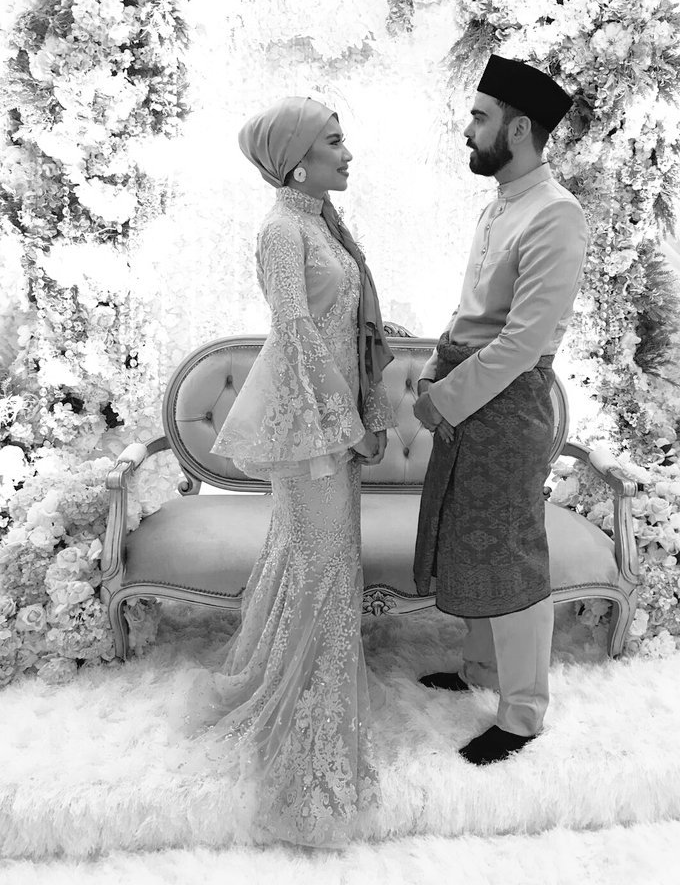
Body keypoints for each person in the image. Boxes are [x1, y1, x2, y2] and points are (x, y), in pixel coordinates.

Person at [180, 97, 397, 848]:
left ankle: (302, 676)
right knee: (320, 564)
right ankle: (308, 715)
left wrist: (372, 385)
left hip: (331, 421)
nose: (348, 152)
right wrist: (350, 425)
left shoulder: (320, 222)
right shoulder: (282, 229)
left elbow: (346, 326)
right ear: (297, 161)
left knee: (323, 561)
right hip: (310, 428)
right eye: (334, 141)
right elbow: (298, 337)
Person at [412, 56, 588, 766]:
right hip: (471, 391)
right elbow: (472, 313)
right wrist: (435, 367)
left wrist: (444, 400)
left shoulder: (557, 214)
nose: (468, 129)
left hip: (508, 407)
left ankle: (521, 715)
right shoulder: (500, 205)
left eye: (480, 117)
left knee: (510, 556)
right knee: (471, 540)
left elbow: (522, 343)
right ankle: (481, 671)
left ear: (519, 129)